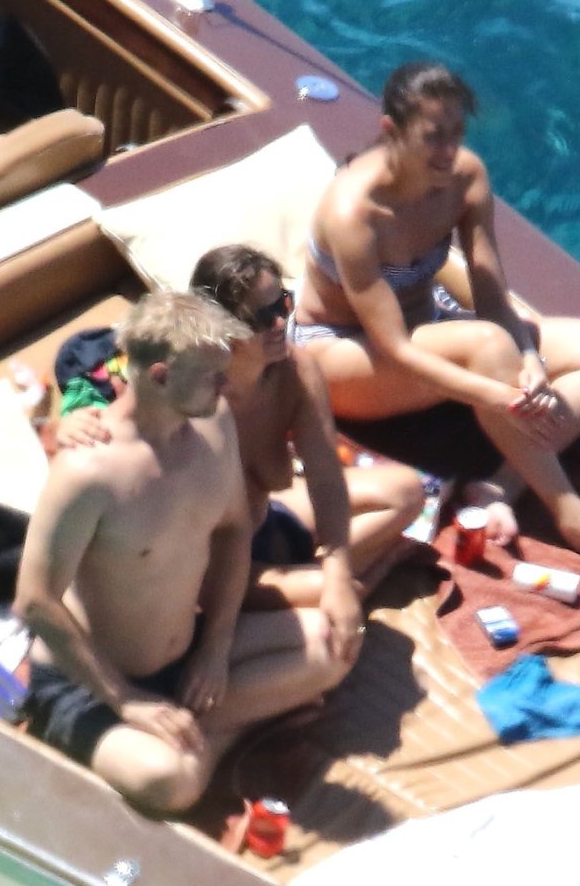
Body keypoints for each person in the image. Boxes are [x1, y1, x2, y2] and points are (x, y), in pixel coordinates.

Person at [290, 60, 580, 576]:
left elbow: (490, 293)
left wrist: (528, 360)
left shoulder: (465, 178)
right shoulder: (354, 213)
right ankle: (573, 518)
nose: (449, 151)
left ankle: (503, 484)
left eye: (456, 133)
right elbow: (396, 347)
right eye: (432, 137)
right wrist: (498, 394)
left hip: (435, 329)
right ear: (391, 129)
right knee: (487, 347)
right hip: (342, 352)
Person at [15, 291, 350, 815]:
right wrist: (126, 700)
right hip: (93, 684)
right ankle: (215, 735)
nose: (226, 385)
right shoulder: (88, 472)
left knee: (335, 644)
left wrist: (216, 646)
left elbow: (234, 530)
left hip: (188, 656)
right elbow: (34, 602)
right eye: (213, 376)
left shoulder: (214, 424)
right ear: (160, 376)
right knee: (169, 780)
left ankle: (196, 730)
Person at [58, 245, 428, 644]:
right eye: (263, 317)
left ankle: (318, 580)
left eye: (283, 303)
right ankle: (348, 578)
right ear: (222, 326)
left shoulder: (296, 372)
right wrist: (72, 423)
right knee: (331, 605)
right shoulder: (186, 393)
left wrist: (337, 571)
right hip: (212, 568)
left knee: (406, 492)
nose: (281, 322)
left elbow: (326, 480)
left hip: (267, 520)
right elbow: (117, 437)